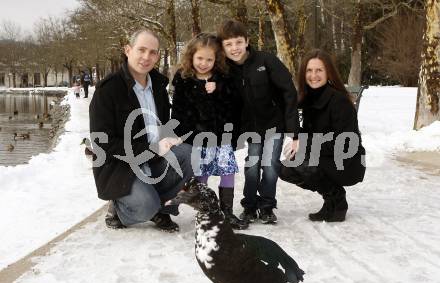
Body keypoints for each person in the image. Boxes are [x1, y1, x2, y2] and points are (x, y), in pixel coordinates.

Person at [89, 29, 194, 232]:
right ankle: (121, 209)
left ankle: (159, 207)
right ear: (128, 50)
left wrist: (170, 137)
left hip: (154, 158)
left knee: (190, 154)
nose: (147, 57)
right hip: (121, 166)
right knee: (145, 206)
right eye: (141, 50)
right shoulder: (108, 90)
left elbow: (163, 125)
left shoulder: (159, 85)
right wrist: (150, 148)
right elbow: (103, 143)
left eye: (153, 52)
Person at [217, 20, 300, 224]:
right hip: (251, 129)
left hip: (274, 123)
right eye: (228, 44)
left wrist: (294, 131)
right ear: (223, 47)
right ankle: (250, 206)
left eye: (238, 42)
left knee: (270, 166)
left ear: (247, 41)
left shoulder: (266, 61)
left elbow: (288, 92)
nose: (234, 48)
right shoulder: (225, 70)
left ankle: (267, 206)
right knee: (252, 166)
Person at [171, 33, 248, 230]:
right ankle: (205, 213)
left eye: (209, 59)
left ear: (217, 59)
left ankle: (227, 212)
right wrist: (179, 133)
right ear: (191, 56)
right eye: (200, 58)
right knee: (202, 175)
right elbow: (178, 109)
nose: (204, 63)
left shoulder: (223, 77)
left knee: (227, 172)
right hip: (197, 138)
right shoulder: (183, 78)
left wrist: (220, 88)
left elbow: (235, 103)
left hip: (221, 135)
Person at [280, 49, 366, 222]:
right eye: (309, 71)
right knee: (285, 168)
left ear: (329, 73)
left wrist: (304, 143)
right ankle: (331, 199)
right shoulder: (308, 99)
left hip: (348, 161)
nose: (313, 75)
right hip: (326, 156)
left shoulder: (339, 101)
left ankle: (337, 200)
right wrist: (297, 138)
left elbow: (346, 144)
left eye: (319, 70)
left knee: (299, 164)